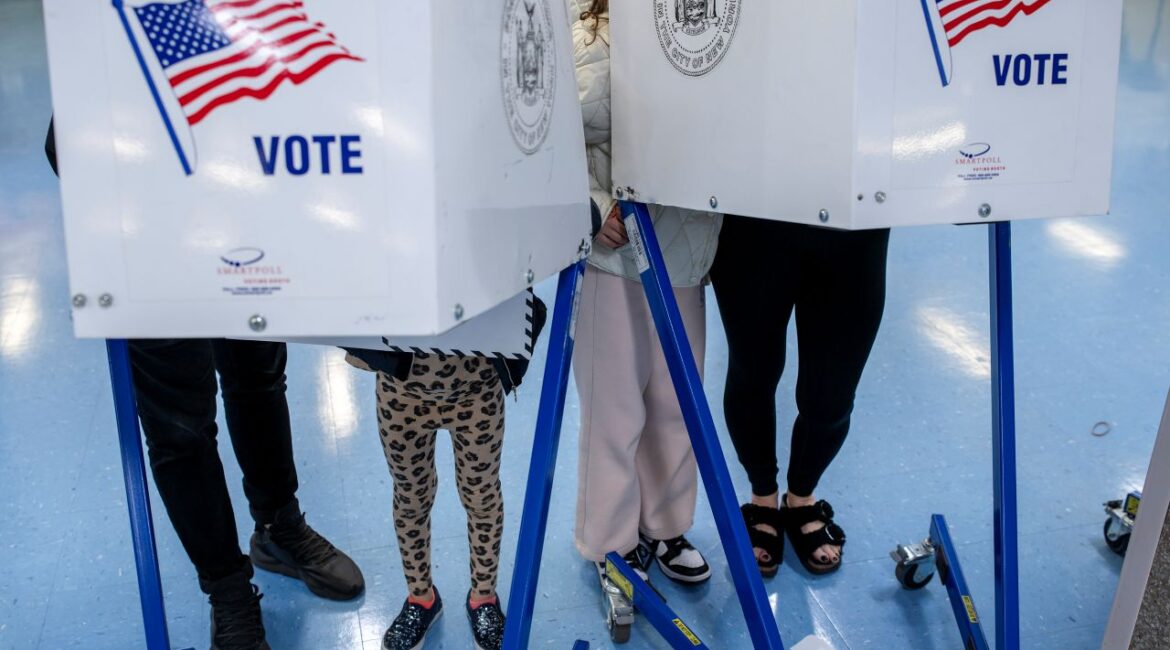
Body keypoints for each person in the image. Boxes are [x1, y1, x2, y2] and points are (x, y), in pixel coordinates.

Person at [46, 121, 364, 650]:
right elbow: (66, 141)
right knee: (180, 432)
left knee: (259, 379)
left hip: (240, 214)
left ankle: (278, 529)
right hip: (144, 239)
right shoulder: (101, 40)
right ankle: (227, 590)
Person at [568, 0, 723, 590]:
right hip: (613, 251)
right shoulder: (580, 24)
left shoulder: (708, 23)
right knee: (614, 409)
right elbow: (543, 131)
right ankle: (610, 541)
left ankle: (666, 525)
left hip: (685, 244)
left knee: (675, 403)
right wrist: (589, 203)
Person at [344, 302, 545, 650]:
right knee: (410, 498)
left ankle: (483, 597)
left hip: (476, 393)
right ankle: (421, 598)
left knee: (482, 496)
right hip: (401, 391)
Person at [711, 213, 890, 575]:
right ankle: (763, 498)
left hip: (854, 227)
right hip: (754, 216)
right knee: (753, 373)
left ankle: (801, 497)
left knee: (832, 396)